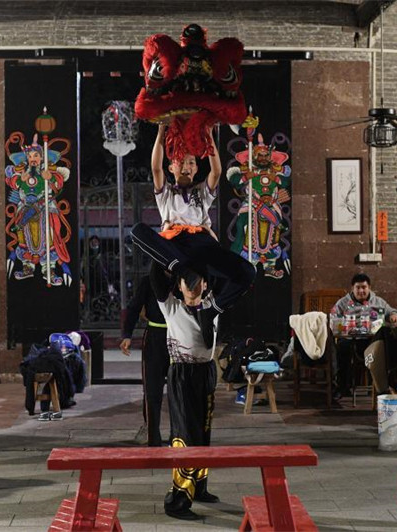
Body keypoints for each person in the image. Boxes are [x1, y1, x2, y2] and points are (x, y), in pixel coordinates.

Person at [130, 124, 255, 348]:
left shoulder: (201, 193)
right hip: (175, 246)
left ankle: (211, 312)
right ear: (172, 167)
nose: (186, 166)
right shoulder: (166, 194)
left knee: (247, 272)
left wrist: (208, 136)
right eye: (181, 162)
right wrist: (160, 132)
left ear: (197, 168)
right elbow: (155, 167)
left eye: (191, 162)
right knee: (137, 230)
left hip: (202, 245)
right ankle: (182, 270)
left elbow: (216, 171)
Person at [149, 263, 220, 521]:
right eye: (186, 281)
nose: (192, 285)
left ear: (205, 284)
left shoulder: (212, 304)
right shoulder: (171, 307)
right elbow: (155, 276)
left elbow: (224, 268)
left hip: (206, 372)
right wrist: (171, 254)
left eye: (197, 280)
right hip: (182, 375)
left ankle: (199, 487)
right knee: (185, 433)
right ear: (178, 286)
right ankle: (177, 500)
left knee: (203, 430)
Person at [330, 273, 397, 397]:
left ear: (369, 288)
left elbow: (391, 311)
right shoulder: (343, 302)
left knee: (385, 343)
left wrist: (393, 315)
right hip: (350, 339)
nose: (361, 290)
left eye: (364, 287)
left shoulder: (378, 301)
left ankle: (383, 385)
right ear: (353, 288)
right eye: (358, 287)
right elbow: (333, 316)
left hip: (370, 340)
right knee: (342, 348)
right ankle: (342, 387)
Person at [120, 275, 169, 447]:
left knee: (180, 390)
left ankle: (180, 434)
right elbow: (134, 307)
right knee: (152, 389)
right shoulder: (149, 281)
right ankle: (152, 434)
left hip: (180, 337)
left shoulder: (183, 277)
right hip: (155, 337)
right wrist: (127, 335)